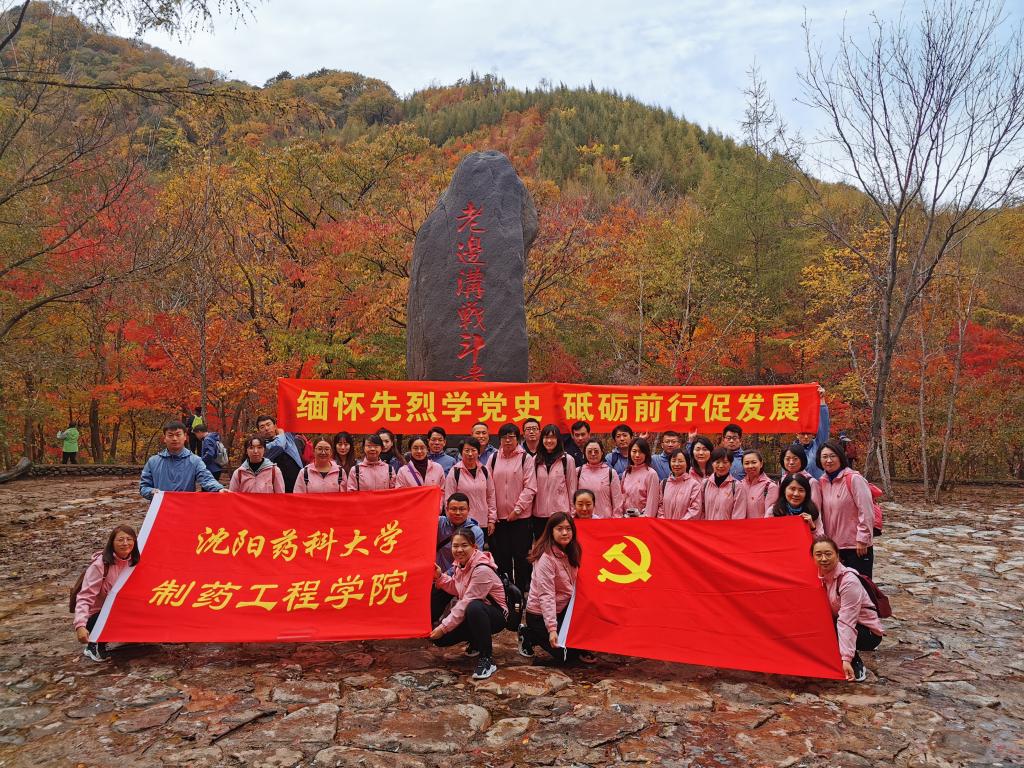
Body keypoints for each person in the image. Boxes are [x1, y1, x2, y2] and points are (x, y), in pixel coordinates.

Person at [429, 527, 507, 680]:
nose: (459, 550)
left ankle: (486, 659)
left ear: (474, 546)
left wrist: (443, 627)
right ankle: (475, 640)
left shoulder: (482, 569)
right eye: (455, 546)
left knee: (474, 607)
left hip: (495, 615)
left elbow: (467, 601)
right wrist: (440, 577)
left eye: (464, 545)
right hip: (474, 613)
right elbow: (457, 588)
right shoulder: (460, 565)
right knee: (440, 640)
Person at [519, 512, 592, 664]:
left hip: (564, 608)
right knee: (568, 657)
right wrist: (552, 629)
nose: (565, 533)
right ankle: (529, 634)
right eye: (560, 529)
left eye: (568, 528)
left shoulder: (572, 550)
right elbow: (546, 595)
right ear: (551, 531)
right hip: (540, 615)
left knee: (580, 646)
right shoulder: (546, 558)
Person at [812, 536, 884, 682]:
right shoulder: (820, 577)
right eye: (818, 555)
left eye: (828, 554)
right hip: (841, 622)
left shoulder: (848, 582)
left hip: (867, 633)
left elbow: (847, 621)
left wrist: (846, 658)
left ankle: (854, 661)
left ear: (837, 555)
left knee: (828, 625)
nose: (823, 559)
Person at [74, 524, 140, 662]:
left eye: (129, 539)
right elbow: (85, 597)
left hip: (124, 609)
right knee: (110, 615)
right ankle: (94, 645)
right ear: (112, 543)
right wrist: (80, 625)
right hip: (99, 614)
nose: (125, 543)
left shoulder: (135, 562)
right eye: (120, 540)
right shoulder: (100, 566)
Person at [489, 424, 537, 595]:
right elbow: (489, 488)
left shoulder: (525, 458)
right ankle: (507, 593)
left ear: (518, 438)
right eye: (504, 437)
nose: (507, 440)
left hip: (521, 518)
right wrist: (492, 515)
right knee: (502, 558)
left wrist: (517, 510)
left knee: (521, 557)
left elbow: (530, 487)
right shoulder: (494, 457)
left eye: (511, 437)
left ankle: (522, 593)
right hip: (499, 518)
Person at [817, 440, 875, 577]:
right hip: (833, 547)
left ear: (840, 457)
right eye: (824, 457)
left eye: (833, 456)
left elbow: (866, 511)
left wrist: (863, 539)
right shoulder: (822, 482)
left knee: (860, 584)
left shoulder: (854, 479)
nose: (829, 460)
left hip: (856, 546)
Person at [432, 493, 485, 621]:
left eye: (462, 509)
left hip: (462, 578)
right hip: (436, 575)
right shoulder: (438, 523)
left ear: (468, 510)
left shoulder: (475, 532)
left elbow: (473, 560)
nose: (457, 513)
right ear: (446, 509)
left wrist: (444, 576)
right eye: (453, 509)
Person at [140, 421, 226, 499]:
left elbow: (206, 478)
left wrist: (219, 489)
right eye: (170, 435)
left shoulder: (195, 461)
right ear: (164, 438)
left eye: (178, 435)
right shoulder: (153, 462)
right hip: (161, 508)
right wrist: (151, 492)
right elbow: (144, 487)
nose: (174, 439)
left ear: (185, 437)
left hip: (185, 507)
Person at [532, 425, 577, 540]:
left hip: (560, 515)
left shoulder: (567, 460)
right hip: (539, 515)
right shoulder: (535, 460)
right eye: (546, 437)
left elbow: (572, 488)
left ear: (558, 439)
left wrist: (572, 514)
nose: (549, 441)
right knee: (542, 547)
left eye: (553, 437)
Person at [444, 438, 497, 535]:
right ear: (461, 452)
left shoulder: (484, 470)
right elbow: (448, 498)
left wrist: (491, 520)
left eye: (473, 450)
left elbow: (491, 496)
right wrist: (451, 521)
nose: (470, 454)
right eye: (467, 450)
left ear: (478, 452)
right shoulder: (455, 471)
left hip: (482, 522)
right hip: (462, 523)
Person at [576, 438, 623, 518]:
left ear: (602, 452)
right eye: (589, 451)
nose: (593, 454)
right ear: (584, 453)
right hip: (584, 519)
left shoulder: (611, 473)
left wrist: (616, 519)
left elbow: (617, 502)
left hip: (605, 520)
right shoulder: (578, 472)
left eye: (596, 451)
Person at [257, 415, 303, 493]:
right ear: (259, 431)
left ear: (275, 426)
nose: (266, 428)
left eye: (268, 424)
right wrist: (281, 433)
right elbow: (280, 445)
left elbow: (296, 421)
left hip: (297, 481)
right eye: (262, 427)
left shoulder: (288, 436)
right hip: (277, 486)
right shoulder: (261, 447)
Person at [621, 437, 661, 518]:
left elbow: (652, 504)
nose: (637, 455)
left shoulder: (651, 474)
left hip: (643, 520)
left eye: (641, 452)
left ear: (646, 454)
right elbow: (622, 496)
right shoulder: (626, 473)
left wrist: (643, 517)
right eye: (634, 451)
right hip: (625, 518)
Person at [658, 449, 701, 520]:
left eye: (680, 461)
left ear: (687, 463)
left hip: (684, 526)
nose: (676, 464)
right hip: (665, 525)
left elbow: (695, 510)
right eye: (673, 461)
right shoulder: (664, 483)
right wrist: (663, 521)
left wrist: (679, 524)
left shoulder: (694, 485)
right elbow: (660, 506)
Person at [701, 447, 743, 520]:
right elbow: (701, 510)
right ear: (712, 463)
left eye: (725, 462)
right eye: (717, 462)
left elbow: (738, 515)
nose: (721, 466)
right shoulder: (705, 483)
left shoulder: (737, 486)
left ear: (731, 464)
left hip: (728, 527)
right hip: (708, 526)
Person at [798, 386, 830, 478]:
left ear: (813, 434)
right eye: (802, 434)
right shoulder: (791, 451)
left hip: (817, 485)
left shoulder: (818, 445)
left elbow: (824, 425)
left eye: (808, 433)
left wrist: (821, 400)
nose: (806, 437)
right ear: (797, 434)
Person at [779, 443, 823, 511]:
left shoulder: (811, 482)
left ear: (802, 460)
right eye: (787, 459)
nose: (791, 462)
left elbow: (816, 509)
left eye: (795, 459)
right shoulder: (782, 480)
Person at [739, 450, 779, 519]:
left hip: (760, 525)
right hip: (741, 525)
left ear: (761, 464)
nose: (750, 466)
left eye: (754, 462)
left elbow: (769, 516)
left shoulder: (770, 486)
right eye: (746, 463)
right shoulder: (739, 485)